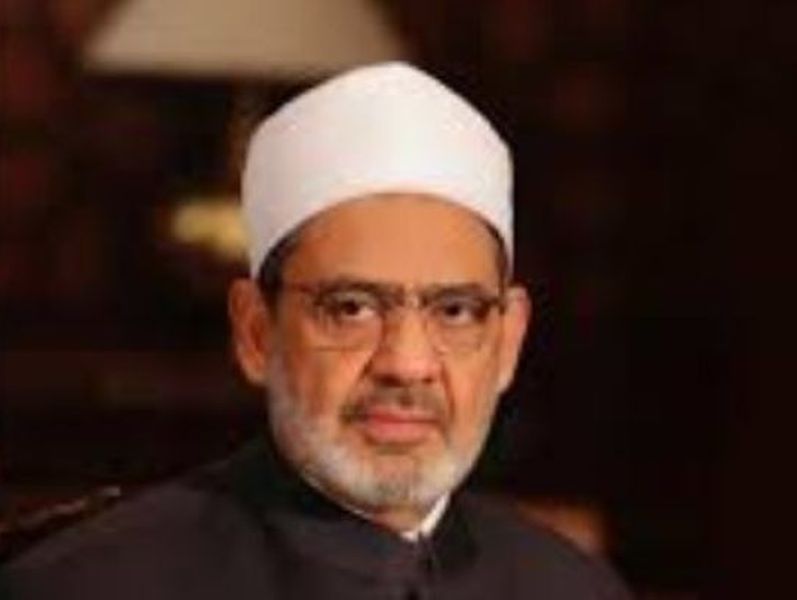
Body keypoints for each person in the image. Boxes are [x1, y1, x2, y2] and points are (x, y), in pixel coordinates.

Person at [1, 62, 631, 599]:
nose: (407, 364)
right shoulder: (90, 583)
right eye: (352, 308)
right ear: (256, 333)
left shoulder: (573, 589)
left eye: (455, 311)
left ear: (509, 341)